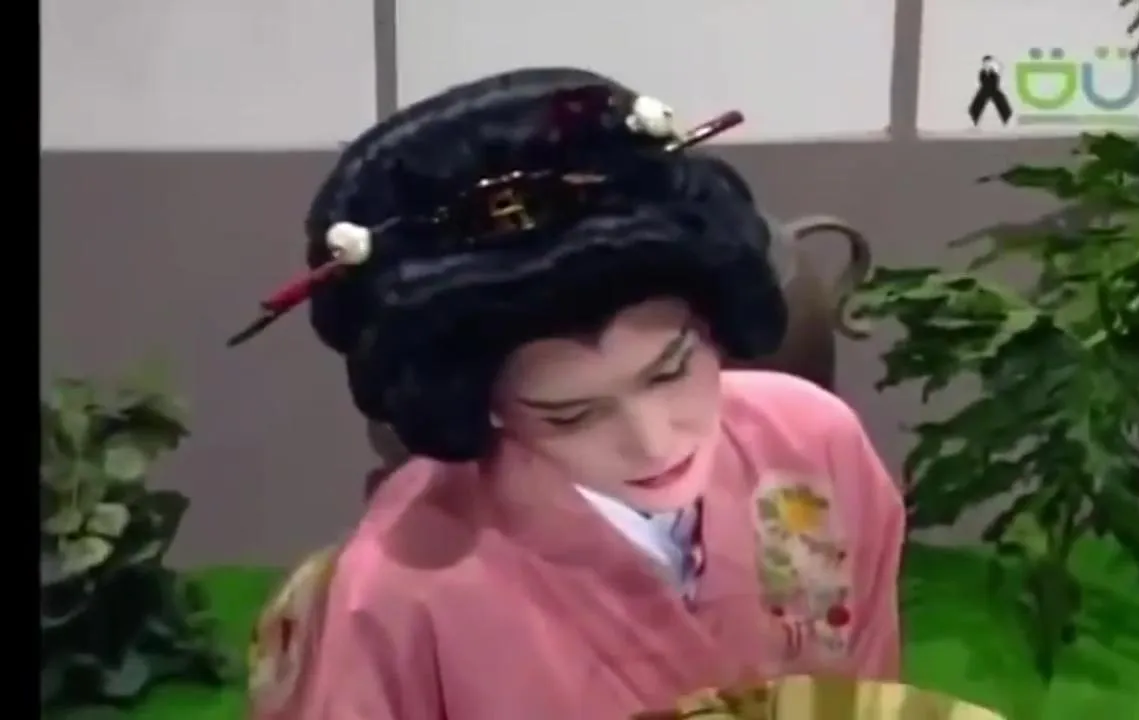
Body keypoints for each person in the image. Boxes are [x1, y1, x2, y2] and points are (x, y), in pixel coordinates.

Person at [234, 67, 905, 719]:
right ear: (486, 405)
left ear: (712, 323)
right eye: (569, 415)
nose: (653, 441)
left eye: (671, 370)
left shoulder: (812, 443)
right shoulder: (399, 585)